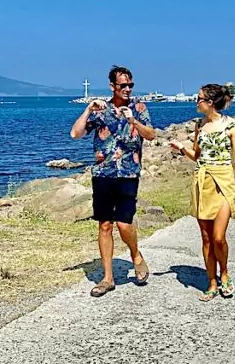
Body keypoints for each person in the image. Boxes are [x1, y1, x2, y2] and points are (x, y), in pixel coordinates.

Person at [70, 65, 156, 298]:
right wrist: (88, 109)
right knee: (105, 224)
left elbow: (151, 135)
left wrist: (133, 122)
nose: (127, 89)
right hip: (103, 174)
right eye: (122, 85)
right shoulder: (100, 111)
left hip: (128, 172)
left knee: (124, 224)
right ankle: (108, 278)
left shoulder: (139, 108)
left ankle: (136, 255)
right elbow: (75, 134)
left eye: (130, 85)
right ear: (112, 87)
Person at [169, 84, 235, 301]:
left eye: (199, 98)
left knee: (218, 237)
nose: (196, 102)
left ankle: (224, 273)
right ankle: (212, 281)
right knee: (206, 238)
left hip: (223, 182)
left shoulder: (232, 126)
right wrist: (181, 148)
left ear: (210, 102)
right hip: (202, 181)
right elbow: (197, 155)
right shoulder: (199, 125)